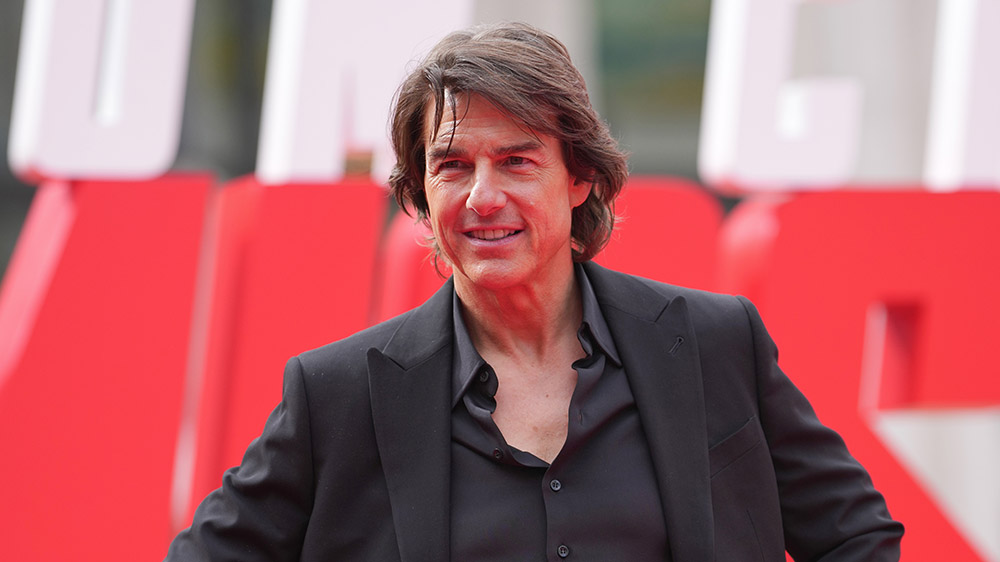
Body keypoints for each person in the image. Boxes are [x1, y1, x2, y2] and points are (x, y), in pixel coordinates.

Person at [165, 22, 903, 561]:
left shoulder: (713, 343)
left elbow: (857, 537)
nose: (483, 197)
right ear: (419, 193)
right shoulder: (337, 394)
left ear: (578, 177)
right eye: (452, 165)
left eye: (517, 161)